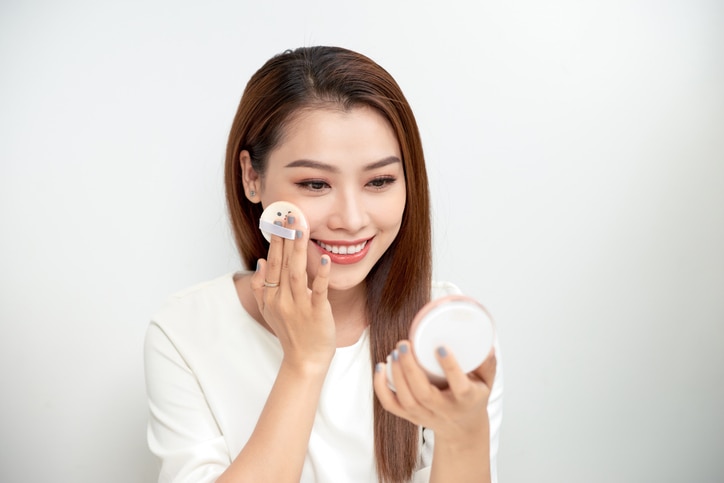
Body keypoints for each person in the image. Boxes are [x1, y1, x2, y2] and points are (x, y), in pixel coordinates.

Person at [144, 45, 503, 483]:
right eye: (315, 183)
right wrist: (305, 362)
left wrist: (465, 430)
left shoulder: (446, 329)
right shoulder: (185, 331)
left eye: (380, 181)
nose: (351, 220)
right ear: (251, 177)